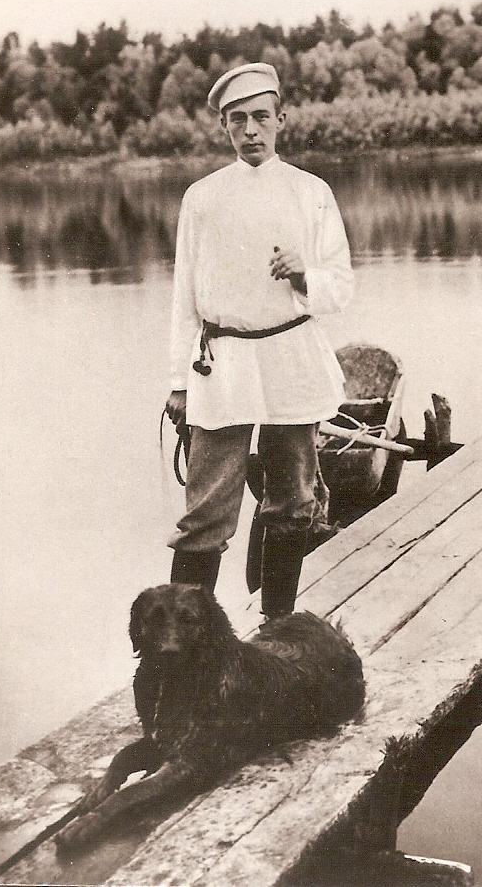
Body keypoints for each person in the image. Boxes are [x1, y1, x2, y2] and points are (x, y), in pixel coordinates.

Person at [165, 62, 354, 619]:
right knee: (205, 512)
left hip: (291, 359)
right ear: (224, 127)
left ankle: (278, 631)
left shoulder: (311, 192)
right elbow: (183, 300)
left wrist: (303, 277)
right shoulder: (202, 198)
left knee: (293, 501)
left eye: (261, 118)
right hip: (220, 367)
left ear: (281, 121)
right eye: (238, 119)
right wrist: (178, 383)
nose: (250, 130)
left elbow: (339, 288)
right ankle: (184, 652)